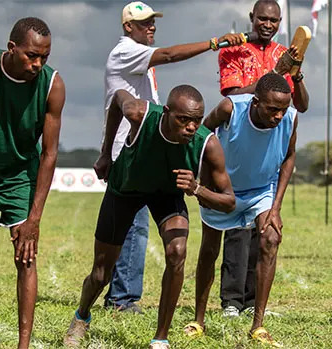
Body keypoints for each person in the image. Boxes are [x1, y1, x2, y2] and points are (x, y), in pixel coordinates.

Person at [100, 1, 246, 315]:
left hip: (151, 149)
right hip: (131, 151)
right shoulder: (126, 51)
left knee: (147, 229)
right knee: (134, 229)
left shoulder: (138, 58)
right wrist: (215, 43)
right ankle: (121, 299)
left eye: (153, 21)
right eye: (144, 23)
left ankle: (122, 296)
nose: (151, 27)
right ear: (128, 27)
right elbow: (169, 55)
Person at [64, 86, 236, 349]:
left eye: (196, 121)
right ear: (167, 113)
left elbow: (229, 202)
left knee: (177, 252)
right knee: (101, 273)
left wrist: (197, 189)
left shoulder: (207, 143)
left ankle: (160, 338)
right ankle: (81, 316)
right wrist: (106, 152)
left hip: (166, 195)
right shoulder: (140, 114)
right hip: (125, 189)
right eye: (183, 119)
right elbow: (118, 97)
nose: (191, 127)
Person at [182, 73, 301, 345]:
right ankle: (198, 320)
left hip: (261, 191)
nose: (278, 116)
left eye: (282, 110)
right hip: (225, 190)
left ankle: (257, 325)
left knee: (271, 239)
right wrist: (204, 183)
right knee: (210, 250)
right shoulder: (230, 109)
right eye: (272, 109)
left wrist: (276, 206)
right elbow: (202, 134)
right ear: (255, 102)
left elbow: (290, 156)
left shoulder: (290, 119)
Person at [0, 17, 64, 349]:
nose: (37, 64)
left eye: (44, 57)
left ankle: (23, 344)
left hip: (20, 175)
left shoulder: (52, 85)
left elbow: (49, 153)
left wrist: (34, 219)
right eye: (32, 56)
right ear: (11, 48)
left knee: (26, 256)